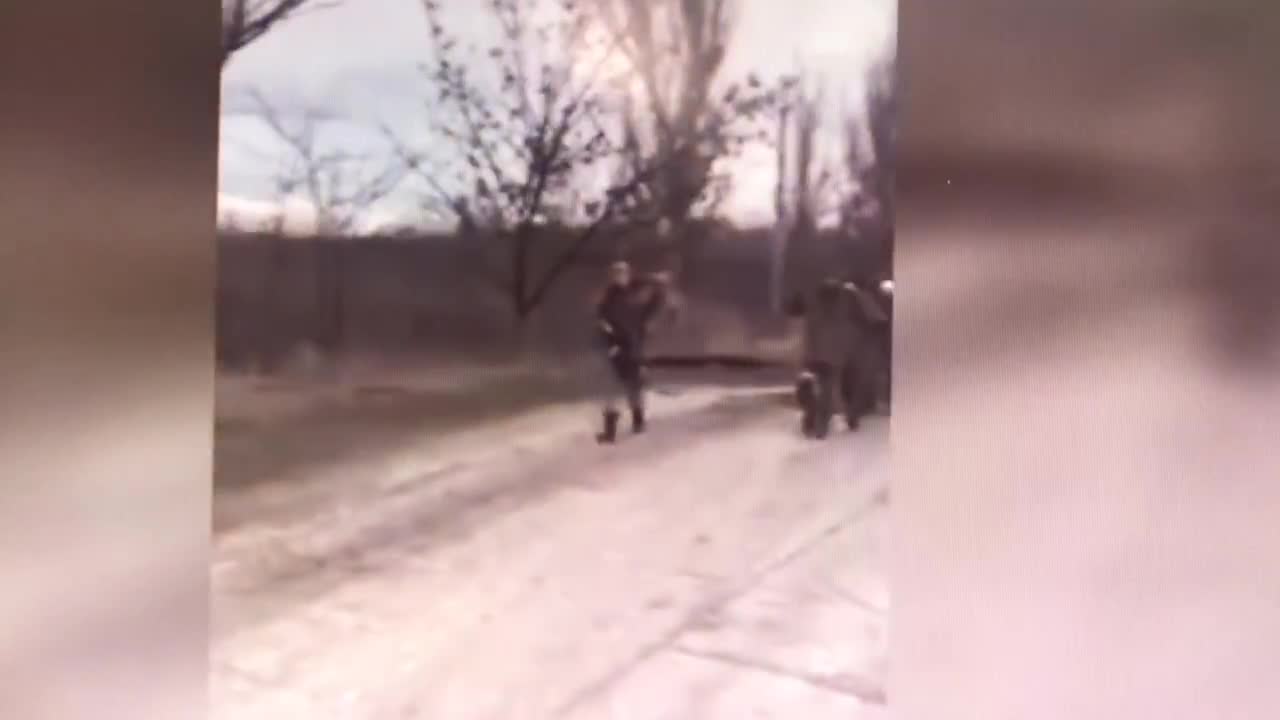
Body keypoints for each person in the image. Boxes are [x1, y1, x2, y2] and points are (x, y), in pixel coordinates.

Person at [592, 261, 669, 443]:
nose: (619, 276)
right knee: (612, 390)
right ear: (612, 276)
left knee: (633, 388)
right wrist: (609, 344)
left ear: (627, 275)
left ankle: (638, 422)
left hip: (633, 350)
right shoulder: (608, 300)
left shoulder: (633, 301)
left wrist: (659, 288)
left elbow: (651, 308)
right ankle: (611, 432)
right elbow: (602, 324)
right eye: (616, 273)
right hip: (617, 350)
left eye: (622, 273)